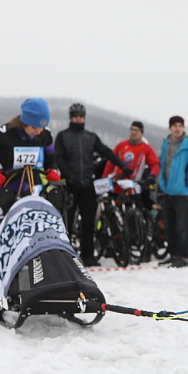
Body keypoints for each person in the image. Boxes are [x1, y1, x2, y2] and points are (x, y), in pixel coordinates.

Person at [55, 103, 129, 265]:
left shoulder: (91, 137)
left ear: (84, 118)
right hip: (71, 185)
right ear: (71, 117)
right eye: (75, 116)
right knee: (66, 222)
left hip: (88, 185)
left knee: (89, 223)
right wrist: (68, 175)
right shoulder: (63, 136)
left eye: (81, 116)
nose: (78, 119)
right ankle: (66, 257)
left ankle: (88, 256)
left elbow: (106, 152)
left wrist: (122, 165)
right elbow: (58, 157)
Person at [0, 98, 62, 221]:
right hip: (1, 188)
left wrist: (52, 171)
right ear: (24, 122)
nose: (39, 131)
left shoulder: (45, 135)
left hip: (28, 187)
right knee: (2, 231)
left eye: (43, 127)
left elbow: (50, 160)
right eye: (34, 127)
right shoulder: (2, 134)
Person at [158, 115, 188, 268]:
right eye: (174, 126)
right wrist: (161, 182)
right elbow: (163, 164)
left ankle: (184, 256)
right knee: (169, 226)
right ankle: (173, 254)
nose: (177, 128)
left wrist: (185, 181)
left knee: (183, 226)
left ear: (183, 128)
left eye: (180, 126)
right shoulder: (166, 143)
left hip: (182, 192)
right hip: (167, 190)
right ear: (170, 128)